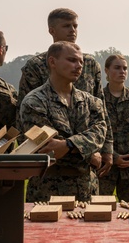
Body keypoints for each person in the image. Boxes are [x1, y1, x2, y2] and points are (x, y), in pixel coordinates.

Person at [20, 41, 108, 202]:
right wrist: (89, 154)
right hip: (48, 190)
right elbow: (47, 146)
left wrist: (68, 145)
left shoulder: (91, 102)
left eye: (81, 61)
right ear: (52, 62)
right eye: (72, 60)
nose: (79, 66)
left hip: (87, 189)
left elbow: (100, 133)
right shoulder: (34, 102)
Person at [18, 8, 103, 103]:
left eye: (75, 26)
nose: (72, 30)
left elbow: (100, 103)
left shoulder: (90, 63)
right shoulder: (36, 66)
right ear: (52, 31)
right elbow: (24, 105)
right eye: (66, 26)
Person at [98, 54, 129, 201]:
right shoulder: (97, 99)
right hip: (105, 167)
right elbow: (93, 132)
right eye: (117, 68)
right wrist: (113, 156)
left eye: (125, 68)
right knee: (100, 211)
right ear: (106, 70)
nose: (122, 71)